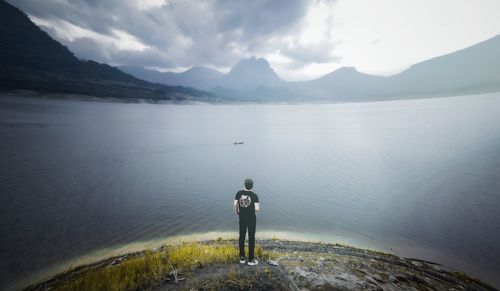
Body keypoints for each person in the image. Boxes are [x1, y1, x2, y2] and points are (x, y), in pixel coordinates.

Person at [234, 178, 260, 265]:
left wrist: (238, 211)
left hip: (242, 218)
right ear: (252, 186)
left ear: (244, 185)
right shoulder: (255, 196)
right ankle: (250, 260)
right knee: (251, 237)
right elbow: (257, 209)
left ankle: (242, 258)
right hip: (251, 219)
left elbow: (235, 204)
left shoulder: (239, 193)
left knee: (241, 236)